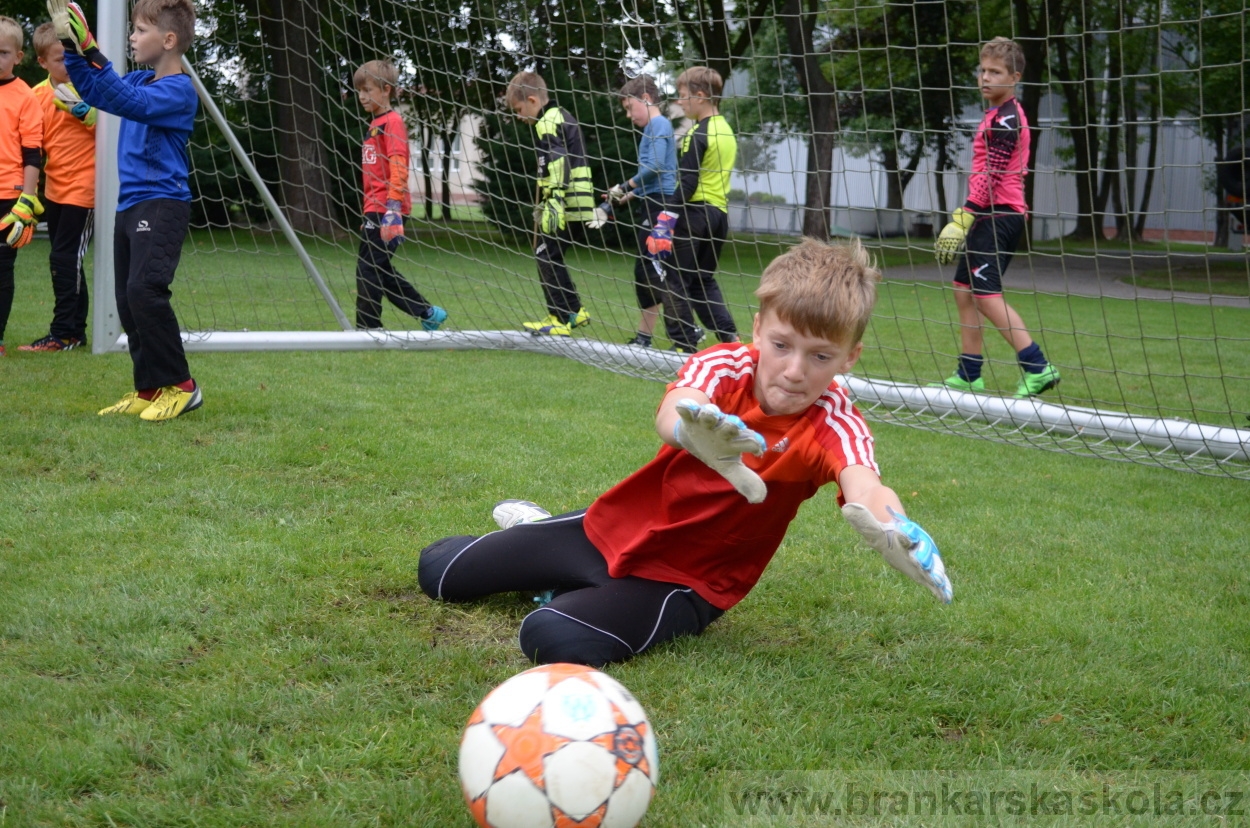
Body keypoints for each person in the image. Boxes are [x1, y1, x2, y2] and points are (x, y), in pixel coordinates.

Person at [418, 238, 952, 668]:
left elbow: (865, 482)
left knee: (550, 635)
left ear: (849, 357)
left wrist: (896, 529)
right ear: (759, 329)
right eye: (782, 345)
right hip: (613, 528)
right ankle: (546, 547)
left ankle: (560, 585)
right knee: (438, 571)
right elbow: (675, 407)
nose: (795, 370)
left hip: (686, 582)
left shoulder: (834, 421)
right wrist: (695, 432)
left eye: (820, 356)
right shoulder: (725, 365)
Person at [52, 0, 202, 420]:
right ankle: (150, 388)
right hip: (131, 202)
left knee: (144, 291)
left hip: (163, 201)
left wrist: (94, 52)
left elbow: (129, 101)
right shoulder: (139, 79)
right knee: (126, 298)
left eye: (139, 31)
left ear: (168, 40)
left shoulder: (178, 90)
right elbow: (98, 89)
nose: (132, 37)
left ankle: (183, 386)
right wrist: (72, 46)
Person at [932, 37, 1060, 399]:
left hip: (998, 215)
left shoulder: (1007, 118)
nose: (985, 77)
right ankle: (969, 374)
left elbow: (992, 174)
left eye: (995, 72)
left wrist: (963, 218)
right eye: (982, 70)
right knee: (964, 292)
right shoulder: (995, 113)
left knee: (986, 296)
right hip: (986, 214)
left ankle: (1038, 367)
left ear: (1014, 77)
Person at [352, 59, 447, 332]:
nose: (362, 96)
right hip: (375, 209)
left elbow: (398, 166)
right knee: (377, 268)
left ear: (386, 90)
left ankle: (369, 328)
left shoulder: (392, 123)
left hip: (387, 209)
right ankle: (427, 312)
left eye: (368, 90)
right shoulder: (375, 124)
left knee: (368, 269)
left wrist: (391, 209)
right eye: (359, 90)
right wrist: (369, 212)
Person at [606, 74, 699, 352]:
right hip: (651, 202)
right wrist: (630, 195)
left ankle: (687, 336)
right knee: (645, 270)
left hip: (662, 207)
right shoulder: (653, 127)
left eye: (628, 107)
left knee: (657, 270)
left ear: (645, 99)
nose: (627, 115)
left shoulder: (658, 124)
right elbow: (656, 175)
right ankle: (644, 338)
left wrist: (625, 185)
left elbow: (657, 166)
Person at [19, 22, 95, 353]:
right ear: (42, 62)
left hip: (87, 189)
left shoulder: (94, 88)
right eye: (60, 60)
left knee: (65, 259)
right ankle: (74, 332)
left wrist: (89, 114)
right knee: (65, 259)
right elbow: (31, 146)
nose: (68, 66)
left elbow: (119, 132)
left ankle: (62, 334)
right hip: (54, 191)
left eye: (72, 58)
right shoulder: (35, 97)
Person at [507, 71, 594, 338]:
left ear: (532, 100)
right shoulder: (562, 115)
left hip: (566, 204)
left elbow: (559, 159)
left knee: (545, 254)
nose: (520, 117)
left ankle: (559, 318)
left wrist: (554, 198)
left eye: (519, 110)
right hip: (577, 200)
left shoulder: (547, 121)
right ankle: (575, 311)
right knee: (549, 253)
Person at [662, 66, 739, 347]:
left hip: (694, 215)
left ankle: (683, 343)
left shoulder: (698, 132)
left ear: (701, 95)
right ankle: (731, 338)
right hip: (719, 216)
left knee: (674, 279)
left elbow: (689, 183)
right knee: (702, 280)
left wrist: (665, 218)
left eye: (683, 96)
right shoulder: (727, 130)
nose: (679, 102)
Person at [0, 16, 45, 359]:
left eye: (2, 52)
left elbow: (33, 152)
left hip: (9, 197)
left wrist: (27, 201)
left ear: (18, 57)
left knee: (2, 270)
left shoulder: (26, 97)